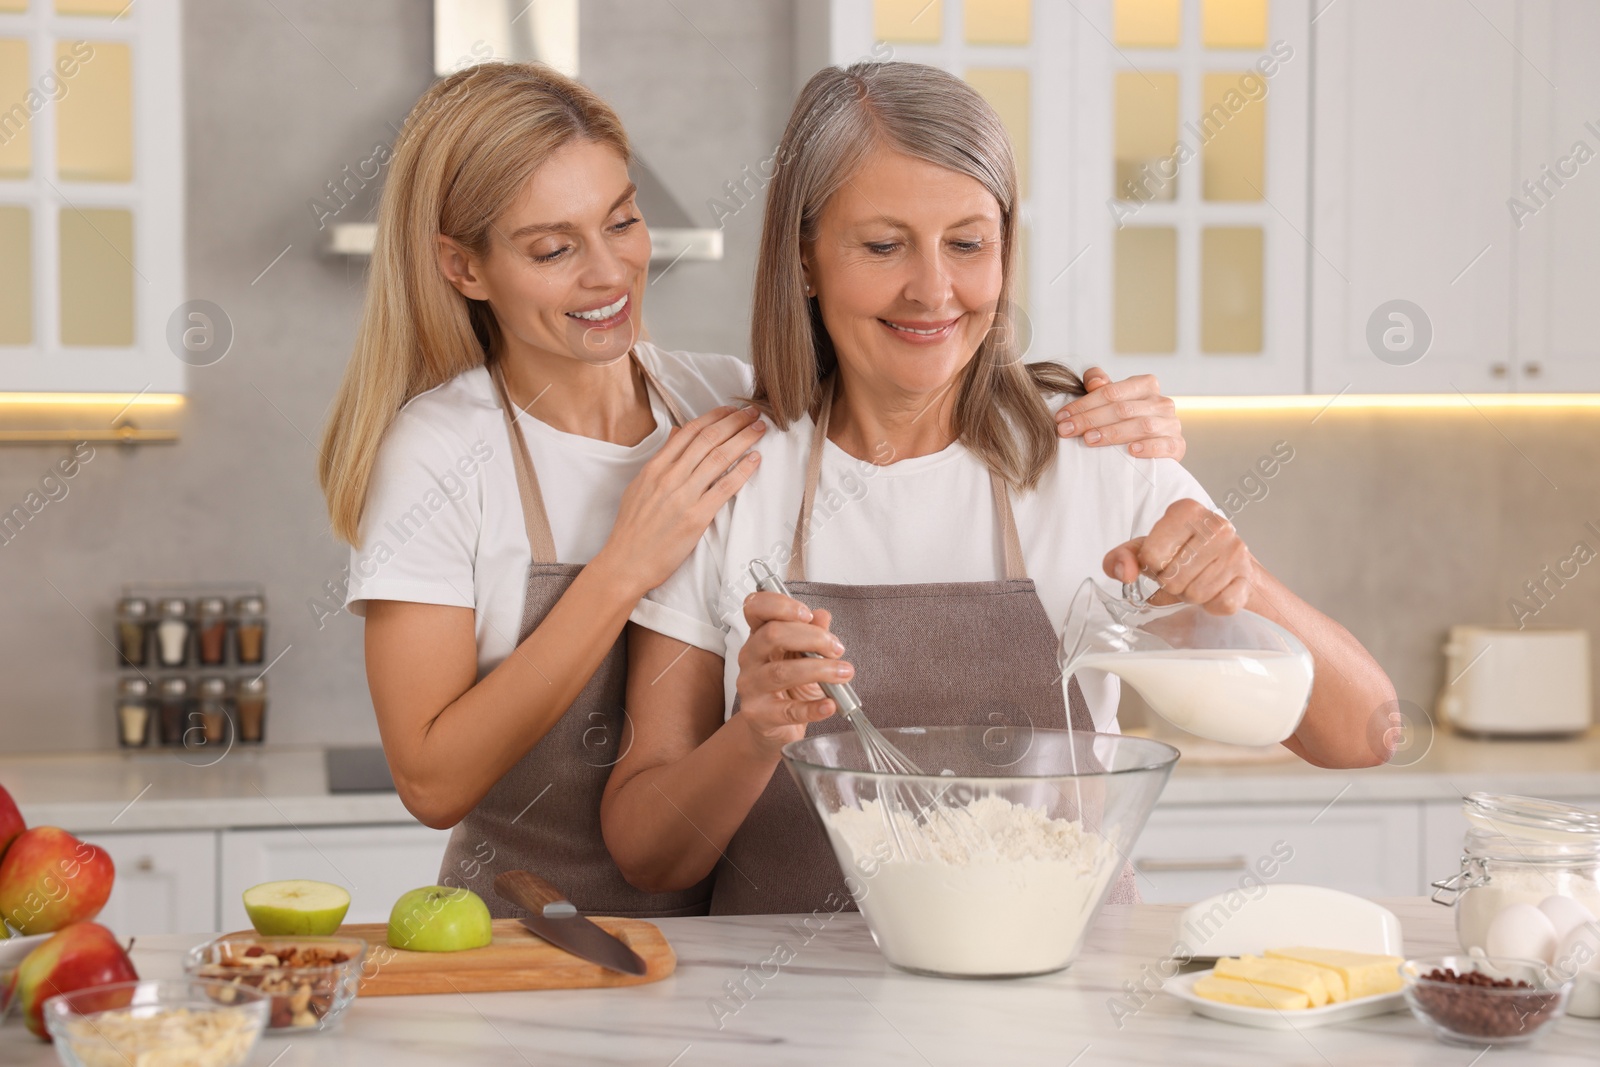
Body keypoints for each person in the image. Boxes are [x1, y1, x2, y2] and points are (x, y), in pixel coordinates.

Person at [317, 62, 1186, 916]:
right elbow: (430, 781)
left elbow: (890, 382)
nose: (608, 273)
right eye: (553, 248)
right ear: (463, 268)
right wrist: (622, 566)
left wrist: (1120, 433)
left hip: (708, 945)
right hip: (531, 934)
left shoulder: (720, 404)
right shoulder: (440, 451)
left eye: (622, 222)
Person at [602, 62, 1397, 916]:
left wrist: (1242, 583)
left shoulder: (1096, 453)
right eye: (882, 244)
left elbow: (1367, 733)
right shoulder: (729, 477)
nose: (933, 290)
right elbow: (649, 851)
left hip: (1058, 1016)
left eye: (969, 243)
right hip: (790, 1021)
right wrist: (753, 732)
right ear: (804, 259)